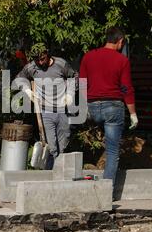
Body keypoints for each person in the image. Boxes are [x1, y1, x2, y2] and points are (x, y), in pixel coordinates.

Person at [79, 27, 138, 184]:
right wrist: (133, 114)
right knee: (112, 151)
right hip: (112, 107)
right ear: (120, 41)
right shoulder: (122, 60)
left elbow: (82, 84)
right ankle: (107, 193)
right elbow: (126, 88)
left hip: (92, 107)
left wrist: (84, 106)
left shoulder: (88, 57)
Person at [16, 48, 77, 169]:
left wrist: (70, 93)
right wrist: (27, 91)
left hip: (63, 109)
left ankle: (58, 168)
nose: (40, 62)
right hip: (45, 110)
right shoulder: (32, 67)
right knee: (51, 146)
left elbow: (74, 76)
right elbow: (20, 78)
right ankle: (51, 172)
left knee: (64, 140)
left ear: (47, 54)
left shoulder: (61, 64)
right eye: (36, 60)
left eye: (42, 59)